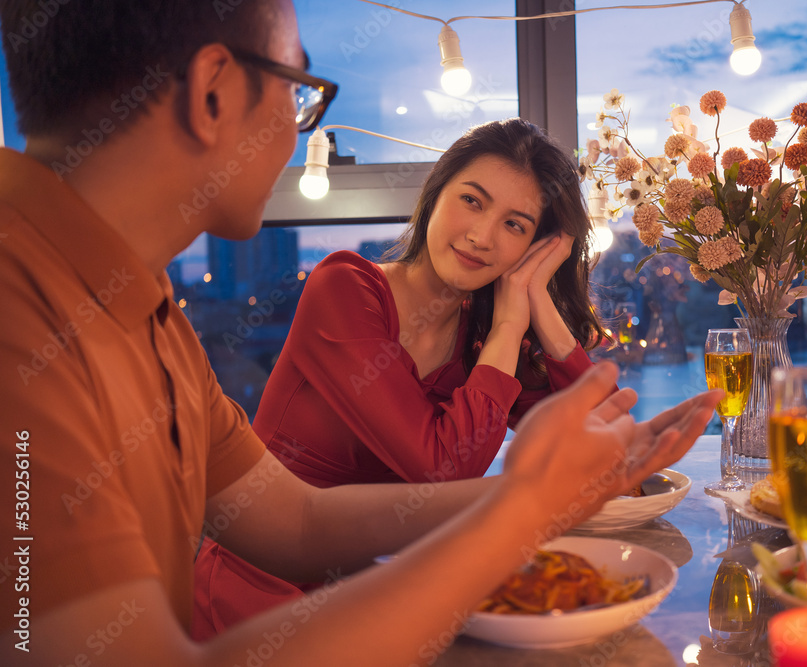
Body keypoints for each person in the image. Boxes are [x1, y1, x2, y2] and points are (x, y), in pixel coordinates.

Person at [0, 1, 721, 664]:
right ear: (213, 90)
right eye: (298, 92)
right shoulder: (20, 322)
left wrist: (550, 491)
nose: (296, 128)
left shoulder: (148, 310)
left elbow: (299, 519)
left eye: (515, 225)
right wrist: (526, 504)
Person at [192, 118, 612, 636]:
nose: (481, 236)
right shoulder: (344, 289)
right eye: (473, 201)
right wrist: (509, 323)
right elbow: (440, 472)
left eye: (515, 225)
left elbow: (599, 433)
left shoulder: (482, 338)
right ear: (435, 194)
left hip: (385, 593)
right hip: (263, 595)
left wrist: (537, 301)